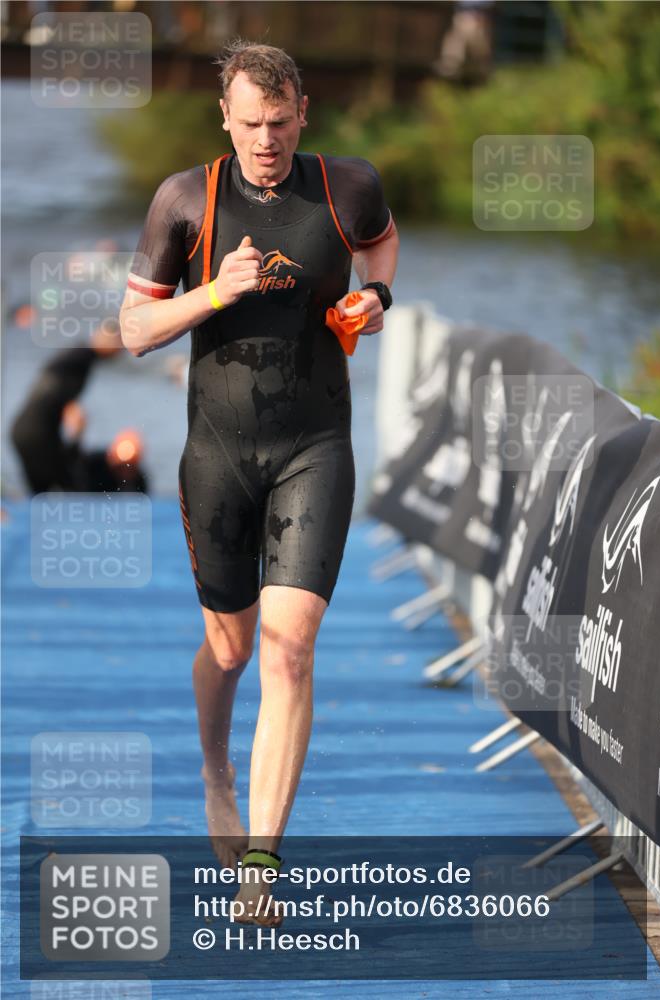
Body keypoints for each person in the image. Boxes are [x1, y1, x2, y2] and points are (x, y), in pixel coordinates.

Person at [119, 40, 399, 926]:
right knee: (233, 651)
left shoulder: (344, 187)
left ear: (303, 114)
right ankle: (215, 771)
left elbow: (381, 248)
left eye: (280, 124)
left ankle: (263, 867)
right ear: (226, 120)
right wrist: (210, 294)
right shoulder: (184, 200)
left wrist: (375, 300)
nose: (266, 141)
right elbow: (132, 329)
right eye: (250, 125)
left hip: (316, 443)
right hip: (219, 456)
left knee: (288, 646)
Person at [11, 322, 149, 495]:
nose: (119, 352)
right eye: (119, 345)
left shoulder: (79, 356)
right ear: (105, 338)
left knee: (46, 490)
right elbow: (55, 386)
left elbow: (49, 384)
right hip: (36, 432)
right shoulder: (81, 358)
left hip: (27, 430)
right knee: (64, 486)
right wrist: (72, 419)